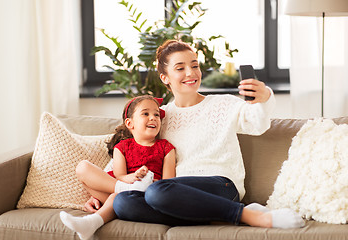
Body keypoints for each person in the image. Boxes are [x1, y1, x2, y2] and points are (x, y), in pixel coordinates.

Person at [85, 40, 305, 229]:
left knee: (156, 192)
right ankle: (210, 214)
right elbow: (135, 151)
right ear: (165, 78)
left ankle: (248, 215)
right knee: (123, 202)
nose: (190, 73)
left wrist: (264, 96)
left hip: (220, 185)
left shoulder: (223, 104)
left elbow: (257, 124)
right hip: (178, 196)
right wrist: (101, 197)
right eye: (180, 68)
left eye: (194, 66)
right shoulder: (161, 117)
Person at [60, 95, 176, 240]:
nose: (153, 118)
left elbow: (169, 183)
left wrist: (149, 181)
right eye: (146, 113)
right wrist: (133, 178)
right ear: (129, 123)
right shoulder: (122, 147)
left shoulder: (166, 147)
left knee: (117, 197)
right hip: (124, 187)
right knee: (82, 168)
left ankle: (90, 223)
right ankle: (124, 193)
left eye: (156, 115)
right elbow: (119, 175)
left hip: (147, 195)